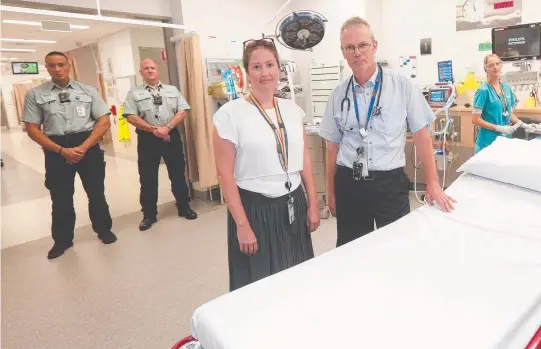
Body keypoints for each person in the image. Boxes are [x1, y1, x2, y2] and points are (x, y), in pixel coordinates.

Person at [319, 17, 456, 248]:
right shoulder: (338, 94)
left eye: (362, 45)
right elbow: (332, 146)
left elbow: (423, 136)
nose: (357, 52)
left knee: (396, 250)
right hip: (349, 184)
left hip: (389, 184)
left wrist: (432, 183)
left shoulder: (402, 85)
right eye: (349, 47)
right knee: (351, 251)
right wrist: (330, 192)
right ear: (343, 52)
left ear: (374, 45)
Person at [213, 38, 320, 291]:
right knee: (260, 284)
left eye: (270, 65)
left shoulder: (292, 110)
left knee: (296, 275)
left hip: (293, 202)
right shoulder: (230, 115)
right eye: (257, 67)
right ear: (247, 72)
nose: (265, 73)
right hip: (255, 209)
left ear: (279, 67)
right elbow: (224, 174)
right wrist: (242, 225)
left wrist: (314, 203)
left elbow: (303, 158)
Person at [22, 51, 117, 259]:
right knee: (61, 198)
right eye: (52, 65)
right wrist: (61, 150)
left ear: (68, 66)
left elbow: (103, 121)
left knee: (96, 193)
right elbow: (32, 129)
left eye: (61, 64)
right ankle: (62, 241)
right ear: (46, 67)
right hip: (56, 149)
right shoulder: (35, 95)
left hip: (88, 146)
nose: (58, 69)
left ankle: (103, 229)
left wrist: (83, 147)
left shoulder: (88, 91)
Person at [123, 59, 197, 231]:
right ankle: (149, 214)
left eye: (153, 68)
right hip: (147, 138)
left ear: (158, 70)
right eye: (146, 69)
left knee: (178, 173)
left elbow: (183, 110)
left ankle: (184, 207)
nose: (150, 71)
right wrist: (153, 129)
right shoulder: (134, 93)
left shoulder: (172, 90)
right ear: (141, 72)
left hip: (171, 136)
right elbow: (130, 115)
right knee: (148, 177)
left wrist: (167, 128)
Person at [472, 53, 536, 153]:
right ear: (486, 69)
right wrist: (498, 128)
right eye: (491, 65)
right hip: (487, 143)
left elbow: (508, 114)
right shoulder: (483, 91)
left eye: (497, 64)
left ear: (501, 65)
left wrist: (522, 124)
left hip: (505, 142)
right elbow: (475, 120)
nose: (495, 67)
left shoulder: (506, 88)